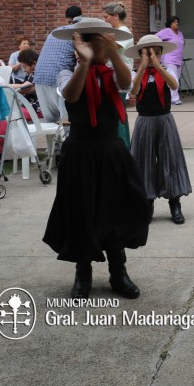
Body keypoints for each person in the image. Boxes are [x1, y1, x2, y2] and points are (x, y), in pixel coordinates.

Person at [42, 18, 149, 299]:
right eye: (91, 43)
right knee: (82, 211)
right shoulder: (67, 73)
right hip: (80, 153)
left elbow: (128, 86)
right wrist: (86, 63)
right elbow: (72, 95)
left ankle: (118, 272)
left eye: (101, 42)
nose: (97, 48)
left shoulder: (113, 72)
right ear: (79, 47)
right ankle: (83, 273)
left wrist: (114, 52)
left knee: (115, 210)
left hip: (111, 151)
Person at [127, 35, 192, 225]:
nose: (152, 56)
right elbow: (133, 91)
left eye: (157, 52)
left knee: (170, 160)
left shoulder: (168, 69)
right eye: (148, 53)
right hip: (144, 121)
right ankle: (147, 204)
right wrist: (143, 66)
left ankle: (175, 204)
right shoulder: (134, 72)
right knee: (144, 161)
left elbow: (173, 85)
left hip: (164, 119)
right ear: (140, 54)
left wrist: (158, 66)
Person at [36, 5, 83, 124]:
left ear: (67, 18)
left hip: (40, 78)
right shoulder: (78, 33)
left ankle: (52, 143)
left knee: (50, 124)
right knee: (66, 122)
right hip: (60, 80)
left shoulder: (55, 32)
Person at [102, 2, 134, 149]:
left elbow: (112, 49)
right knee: (119, 113)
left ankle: (122, 147)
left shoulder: (124, 32)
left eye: (106, 17)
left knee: (118, 113)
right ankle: (125, 147)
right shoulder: (116, 32)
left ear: (115, 16)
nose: (105, 20)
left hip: (118, 78)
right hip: (114, 77)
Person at [156, 17, 186, 105]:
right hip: (169, 59)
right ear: (170, 23)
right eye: (174, 22)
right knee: (173, 78)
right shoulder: (166, 31)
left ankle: (168, 97)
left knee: (176, 78)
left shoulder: (180, 33)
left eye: (177, 22)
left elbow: (183, 42)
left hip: (178, 59)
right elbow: (156, 37)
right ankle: (175, 98)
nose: (176, 23)